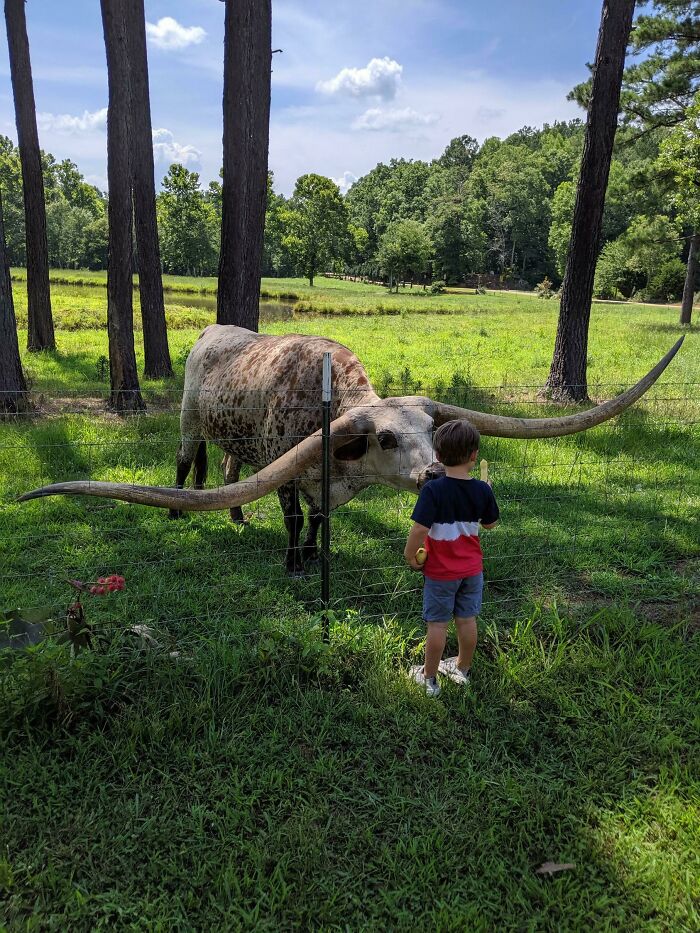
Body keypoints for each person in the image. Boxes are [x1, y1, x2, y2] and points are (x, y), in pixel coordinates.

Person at [404, 419, 500, 697]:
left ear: (437, 455)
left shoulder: (433, 490)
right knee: (467, 620)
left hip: (441, 572)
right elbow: (490, 524)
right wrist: (488, 492)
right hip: (472, 570)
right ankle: (462, 668)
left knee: (437, 625)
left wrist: (410, 554)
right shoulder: (482, 490)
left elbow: (421, 528)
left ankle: (429, 677)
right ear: (474, 455)